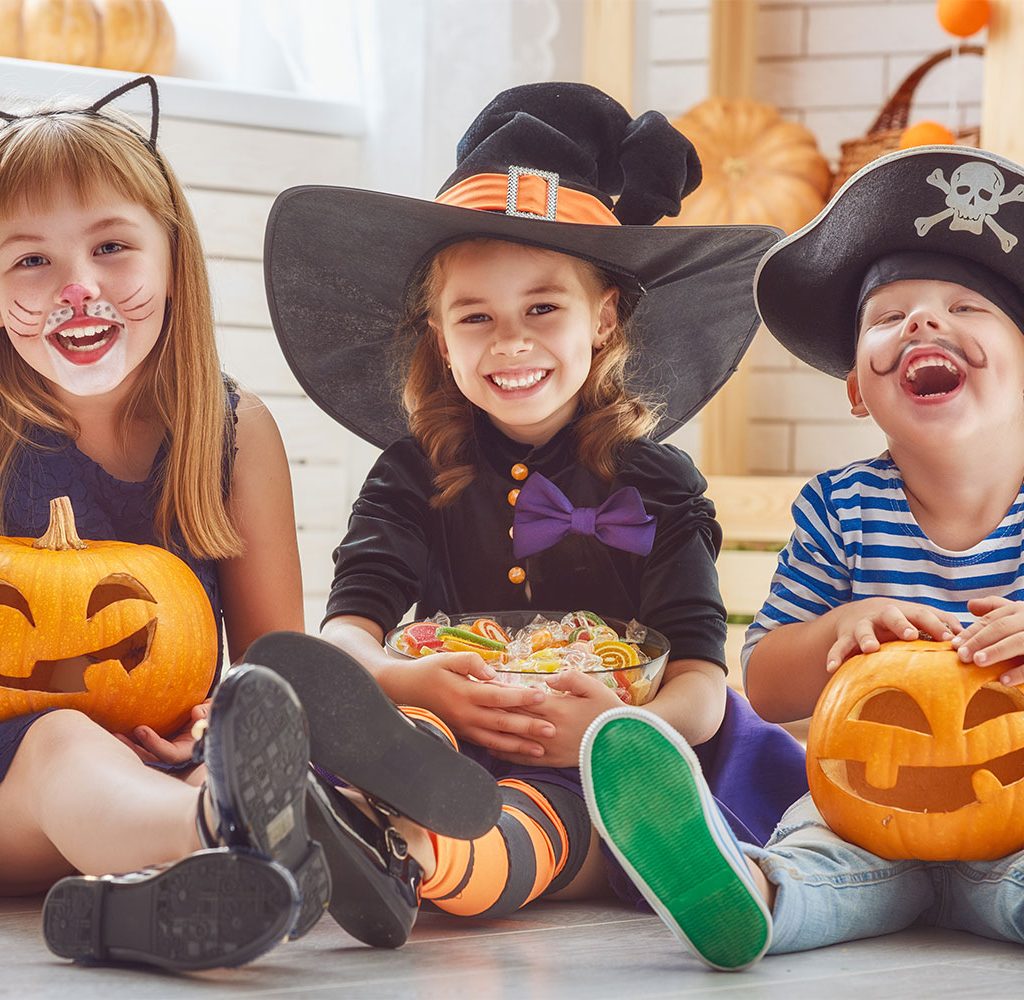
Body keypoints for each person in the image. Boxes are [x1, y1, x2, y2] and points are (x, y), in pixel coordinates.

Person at [259, 82, 809, 941]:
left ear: (605, 319)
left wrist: (617, 731)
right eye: (475, 316)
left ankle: (420, 858)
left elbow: (702, 687)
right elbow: (348, 638)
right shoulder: (413, 472)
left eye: (542, 308)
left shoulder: (659, 486)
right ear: (440, 338)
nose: (509, 342)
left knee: (554, 814)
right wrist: (410, 677)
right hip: (445, 724)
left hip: (607, 756)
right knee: (388, 732)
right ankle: (355, 827)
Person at [578, 144, 1024, 971]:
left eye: (967, 306)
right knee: (815, 858)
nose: (925, 323)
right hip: (866, 815)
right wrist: (840, 628)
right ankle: (745, 893)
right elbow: (770, 682)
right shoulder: (841, 509)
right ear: (857, 386)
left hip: (1020, 814)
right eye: (888, 317)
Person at [0, 77, 327, 971]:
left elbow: (271, 670)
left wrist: (217, 726)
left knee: (288, 751)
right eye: (30, 261)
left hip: (160, 769)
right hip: (11, 790)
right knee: (61, 737)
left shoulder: (228, 433)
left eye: (111, 247)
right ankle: (229, 834)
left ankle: (137, 911)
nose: (78, 290)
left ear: (173, 260)